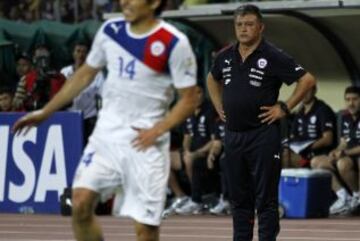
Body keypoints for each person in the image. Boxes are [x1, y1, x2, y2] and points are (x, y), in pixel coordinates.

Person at [12, 0, 198, 240]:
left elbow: (189, 99)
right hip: (107, 136)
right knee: (78, 202)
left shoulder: (174, 42)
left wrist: (158, 129)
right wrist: (45, 111)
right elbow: (85, 75)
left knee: (145, 230)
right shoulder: (110, 31)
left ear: (154, 3)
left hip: (146, 144)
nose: (125, 1)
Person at [206, 4, 316, 241]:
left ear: (260, 27)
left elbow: (306, 80)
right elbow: (211, 80)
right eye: (239, 25)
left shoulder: (273, 56)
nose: (243, 29)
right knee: (239, 199)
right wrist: (218, 106)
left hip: (263, 136)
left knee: (265, 199)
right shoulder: (225, 55)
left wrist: (284, 107)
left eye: (249, 24)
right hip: (234, 136)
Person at [311, 86, 360, 215]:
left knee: (342, 163)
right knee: (317, 161)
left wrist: (344, 153)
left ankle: (357, 196)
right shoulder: (345, 117)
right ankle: (344, 197)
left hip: (355, 156)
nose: (351, 103)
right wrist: (336, 150)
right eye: (348, 99)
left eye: (355, 99)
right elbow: (344, 142)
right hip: (347, 155)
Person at [61, 41, 105, 143]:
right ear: (73, 53)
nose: (81, 54)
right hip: (69, 118)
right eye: (78, 51)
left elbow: (103, 96)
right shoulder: (64, 72)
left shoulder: (97, 73)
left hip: (88, 119)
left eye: (84, 52)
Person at [283, 86, 337, 168]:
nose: (303, 94)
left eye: (307, 91)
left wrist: (306, 148)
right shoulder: (299, 112)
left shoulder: (323, 110)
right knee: (276, 153)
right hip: (301, 153)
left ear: (314, 91)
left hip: (316, 155)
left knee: (285, 156)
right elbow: (293, 136)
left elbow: (328, 140)